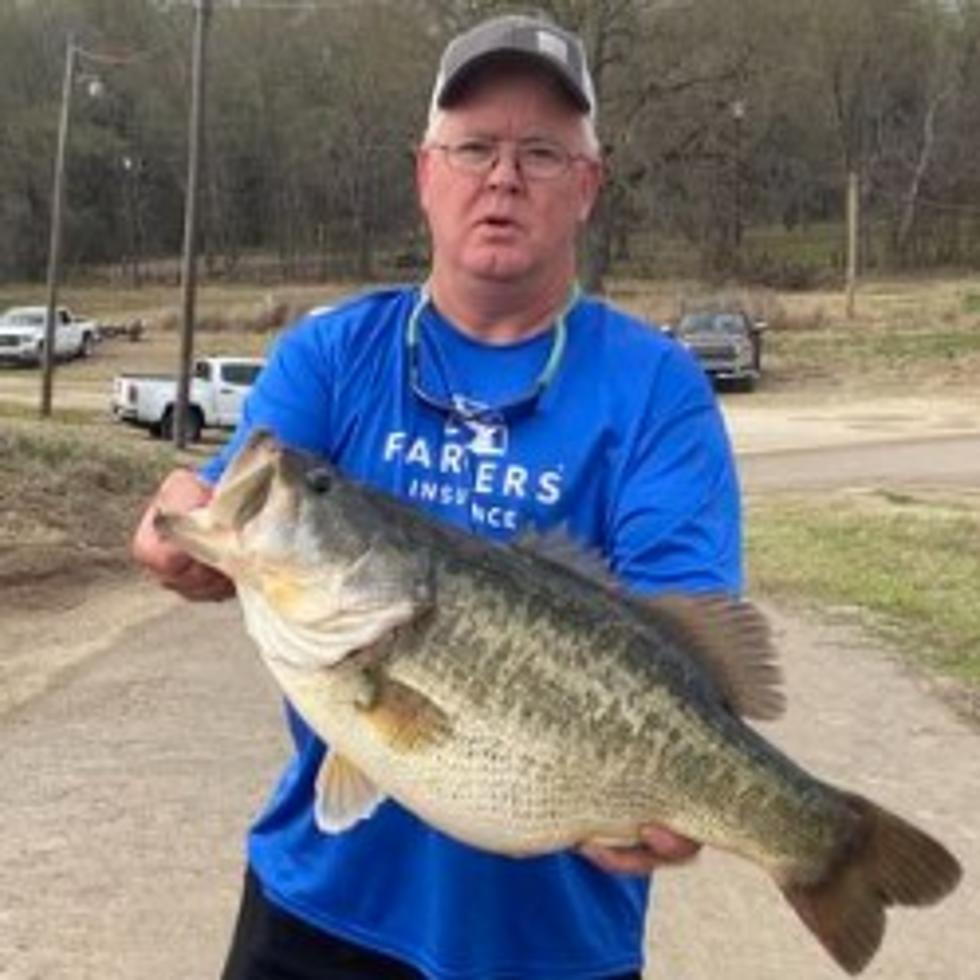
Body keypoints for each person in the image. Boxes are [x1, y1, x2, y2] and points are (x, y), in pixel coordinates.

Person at [133, 12, 742, 980]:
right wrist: (183, 521)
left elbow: (688, 639)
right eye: (473, 148)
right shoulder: (332, 355)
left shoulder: (658, 390)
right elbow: (219, 498)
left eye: (540, 151)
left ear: (587, 185)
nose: (501, 177)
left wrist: (685, 787)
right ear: (424, 173)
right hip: (316, 913)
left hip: (555, 944)